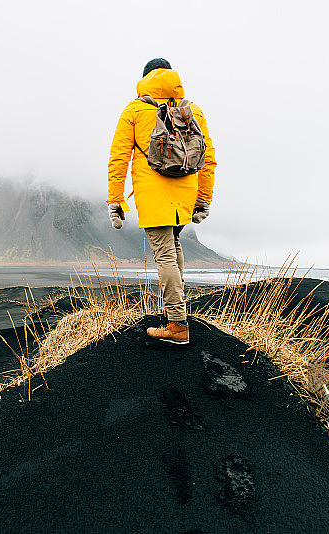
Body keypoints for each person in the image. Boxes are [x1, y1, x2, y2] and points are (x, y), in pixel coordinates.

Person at [107, 58, 217, 344]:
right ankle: (176, 311)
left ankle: (177, 326)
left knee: (164, 254)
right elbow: (208, 159)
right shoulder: (192, 110)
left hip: (152, 194)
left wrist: (115, 200)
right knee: (174, 245)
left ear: (145, 79)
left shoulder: (134, 110)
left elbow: (119, 158)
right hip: (186, 192)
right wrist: (203, 199)